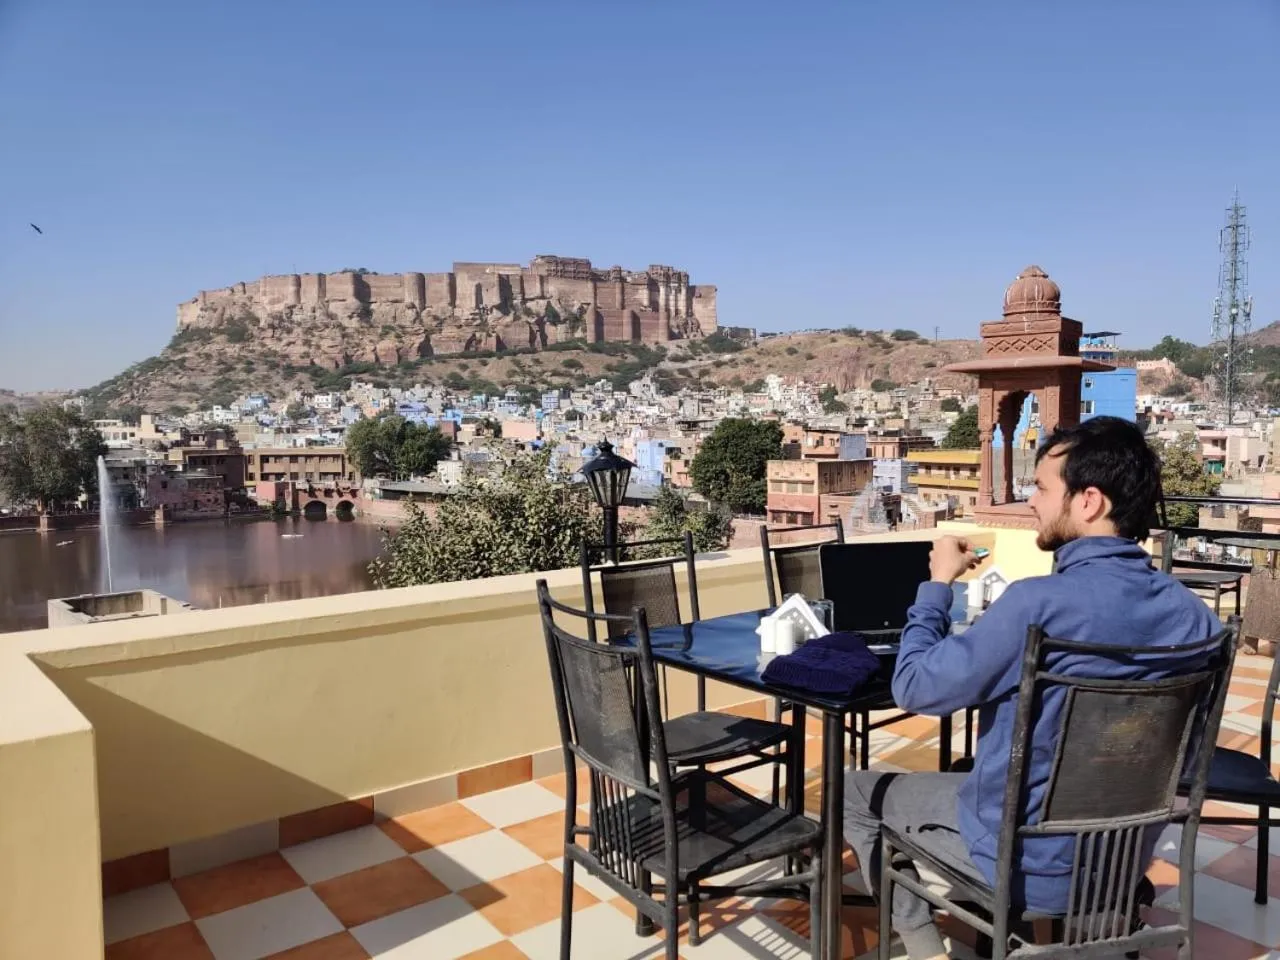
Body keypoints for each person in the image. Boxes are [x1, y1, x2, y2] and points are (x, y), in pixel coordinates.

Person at [843, 415, 1220, 960]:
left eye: (1043, 488)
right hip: (1122, 858)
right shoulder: (1197, 621)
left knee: (855, 792)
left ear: (1088, 502)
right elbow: (1182, 756)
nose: (1032, 502)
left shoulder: (1035, 605)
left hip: (1026, 863)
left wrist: (937, 585)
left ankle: (926, 949)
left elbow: (914, 688)